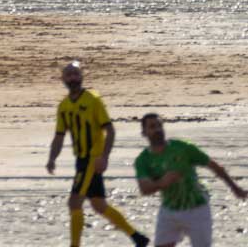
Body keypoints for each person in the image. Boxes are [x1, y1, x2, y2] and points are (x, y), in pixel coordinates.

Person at [47, 61, 151, 247]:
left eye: (76, 73)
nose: (72, 77)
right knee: (98, 205)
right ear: (62, 79)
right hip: (81, 160)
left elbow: (110, 131)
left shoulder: (93, 100)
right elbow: (59, 135)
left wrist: (104, 157)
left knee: (74, 203)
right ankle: (137, 237)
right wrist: (52, 158)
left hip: (92, 159)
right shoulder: (63, 106)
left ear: (82, 76)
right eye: (69, 74)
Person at [135, 112, 246, 247]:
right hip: (169, 210)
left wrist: (234, 187)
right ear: (144, 133)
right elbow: (144, 189)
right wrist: (162, 182)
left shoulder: (182, 148)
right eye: (152, 127)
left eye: (159, 125)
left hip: (197, 208)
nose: (157, 129)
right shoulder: (143, 160)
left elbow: (214, 166)